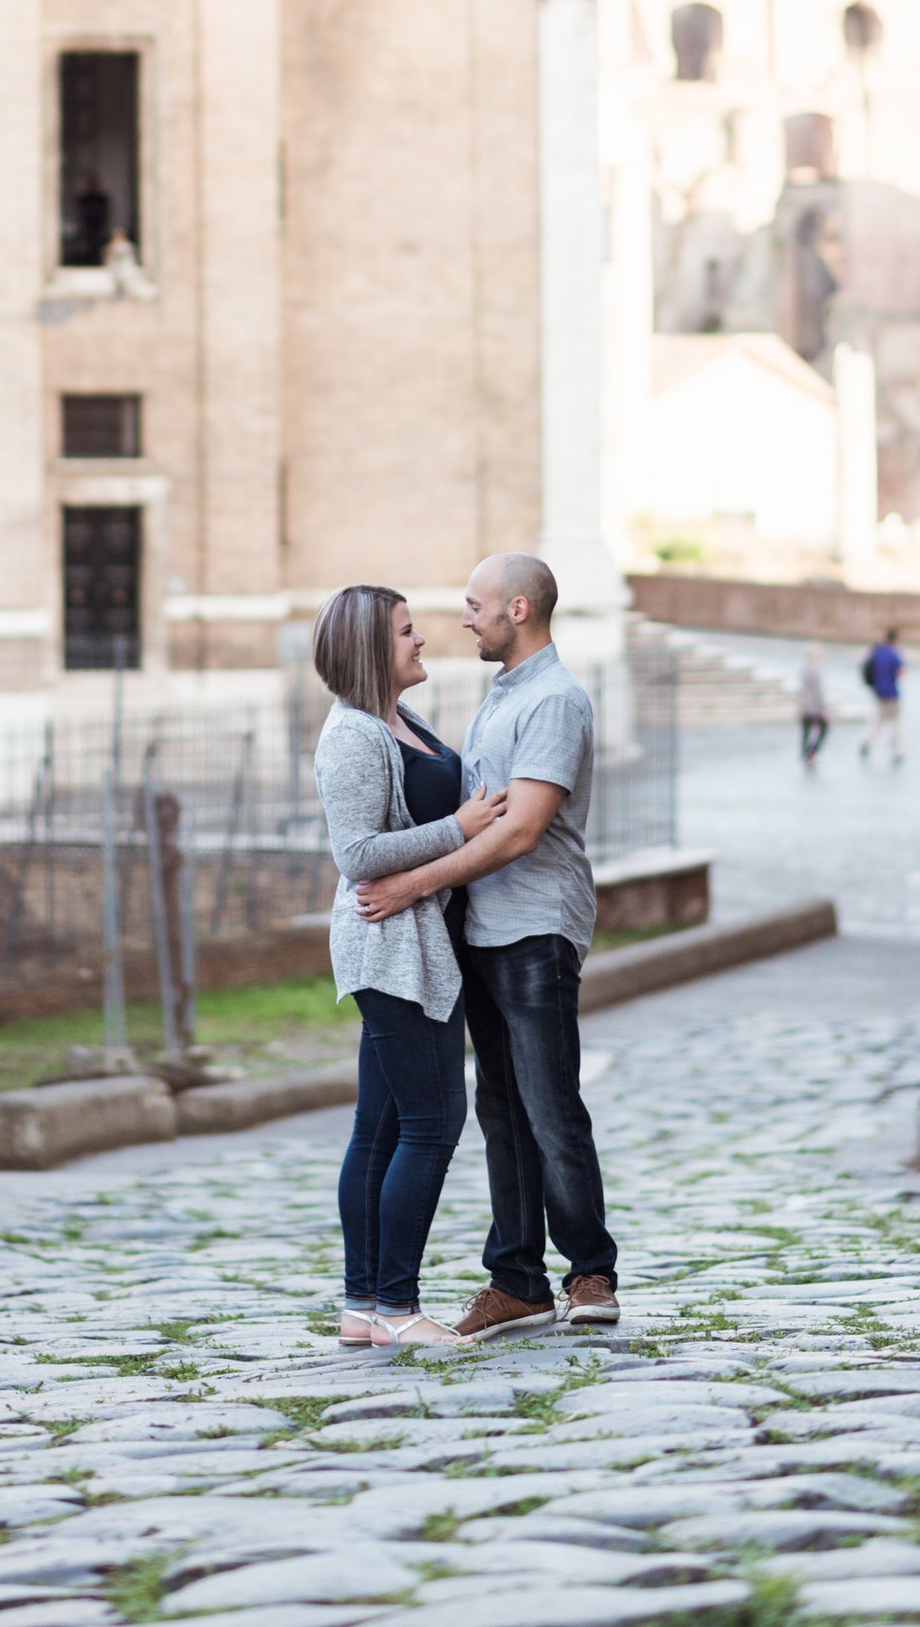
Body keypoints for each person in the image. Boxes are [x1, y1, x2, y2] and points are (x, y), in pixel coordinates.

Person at [354, 553, 619, 1340]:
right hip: (483, 930)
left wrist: (413, 883)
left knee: (547, 1104)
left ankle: (590, 1272)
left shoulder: (555, 701)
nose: (463, 619)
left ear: (519, 609)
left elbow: (522, 830)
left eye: (475, 605)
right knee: (502, 1111)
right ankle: (516, 1280)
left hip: (535, 928)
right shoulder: (505, 697)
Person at [311, 582, 508, 1348]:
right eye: (404, 633)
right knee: (432, 1123)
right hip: (390, 949)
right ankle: (396, 1306)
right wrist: (459, 827)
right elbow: (357, 855)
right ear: (369, 650)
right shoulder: (353, 736)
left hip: (414, 945)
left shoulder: (397, 720)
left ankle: (364, 1307)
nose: (420, 640)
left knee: (382, 1124)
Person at [859, 625, 904, 764]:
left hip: (878, 692)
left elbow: (867, 665)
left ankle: (867, 742)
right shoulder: (893, 654)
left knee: (877, 721)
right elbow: (901, 671)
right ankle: (895, 751)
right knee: (895, 724)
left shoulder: (876, 651)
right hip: (892, 694)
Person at [796, 646, 830, 767]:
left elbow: (802, 690)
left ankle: (805, 752)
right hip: (814, 707)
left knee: (806, 730)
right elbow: (818, 691)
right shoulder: (816, 670)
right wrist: (823, 708)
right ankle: (811, 752)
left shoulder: (805, 669)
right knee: (824, 728)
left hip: (805, 705)